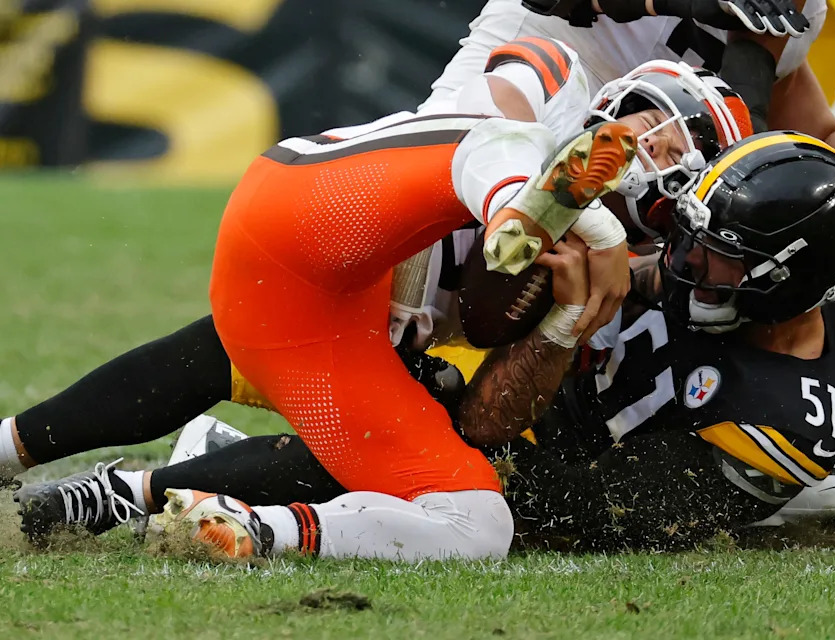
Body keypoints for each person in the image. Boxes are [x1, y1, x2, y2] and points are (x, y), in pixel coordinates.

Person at [7, 55, 753, 559]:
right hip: (318, 211)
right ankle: (517, 207)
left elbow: (489, 421)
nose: (661, 161)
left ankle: (234, 526)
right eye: (656, 136)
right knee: (497, 144)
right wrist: (566, 212)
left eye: (680, 153)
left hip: (318, 318)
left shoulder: (626, 277)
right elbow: (513, 85)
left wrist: (562, 325)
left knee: (476, 516)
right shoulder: (540, 120)